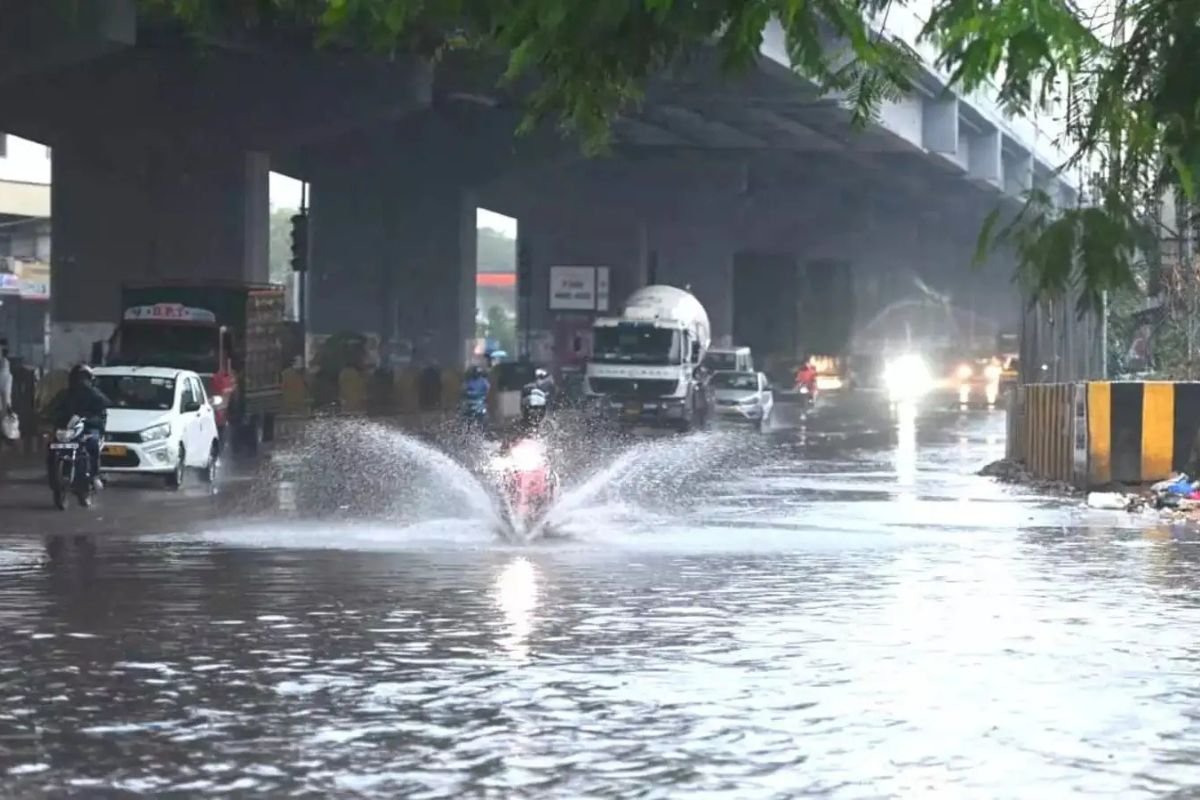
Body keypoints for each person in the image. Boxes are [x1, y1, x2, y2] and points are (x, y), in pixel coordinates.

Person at [47, 364, 111, 488]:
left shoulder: (95, 395)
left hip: (88, 428)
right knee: (51, 447)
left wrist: (86, 419)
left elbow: (103, 410)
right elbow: (52, 409)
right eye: (78, 378)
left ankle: (94, 475)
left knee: (92, 444)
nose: (81, 381)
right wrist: (52, 418)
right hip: (68, 430)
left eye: (83, 377)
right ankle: (54, 477)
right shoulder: (65, 394)